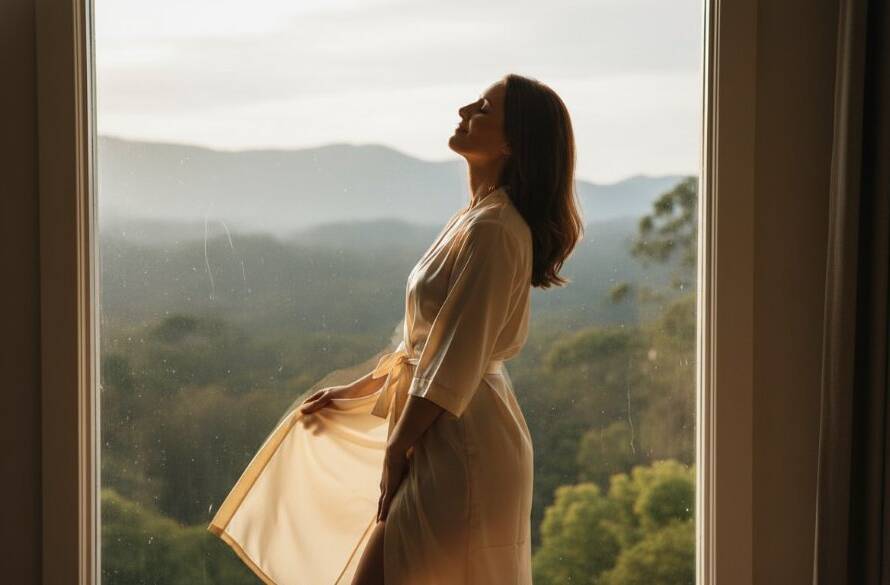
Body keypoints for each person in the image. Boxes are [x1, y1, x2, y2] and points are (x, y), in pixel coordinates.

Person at [208, 73, 583, 585]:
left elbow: (454, 360)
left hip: (462, 444)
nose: (463, 110)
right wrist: (357, 390)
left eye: (482, 108)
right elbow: (428, 347)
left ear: (512, 141)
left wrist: (396, 448)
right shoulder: (477, 218)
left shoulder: (495, 230)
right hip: (443, 429)